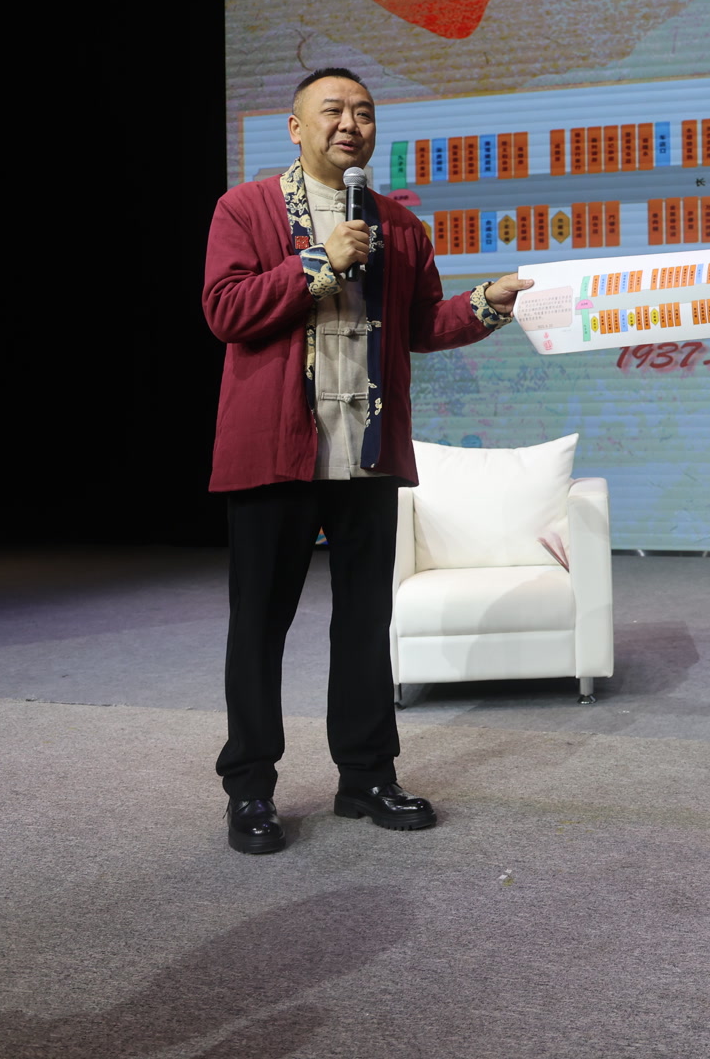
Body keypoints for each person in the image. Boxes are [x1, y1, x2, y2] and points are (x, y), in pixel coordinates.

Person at [202, 67, 532, 855]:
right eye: (333, 110)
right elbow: (225, 309)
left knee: (363, 623)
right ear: (295, 127)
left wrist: (489, 302)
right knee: (260, 626)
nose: (350, 123)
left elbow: (421, 326)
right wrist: (316, 263)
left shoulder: (399, 226)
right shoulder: (244, 208)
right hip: (274, 453)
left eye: (364, 112)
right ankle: (250, 788)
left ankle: (366, 776)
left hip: (367, 455)